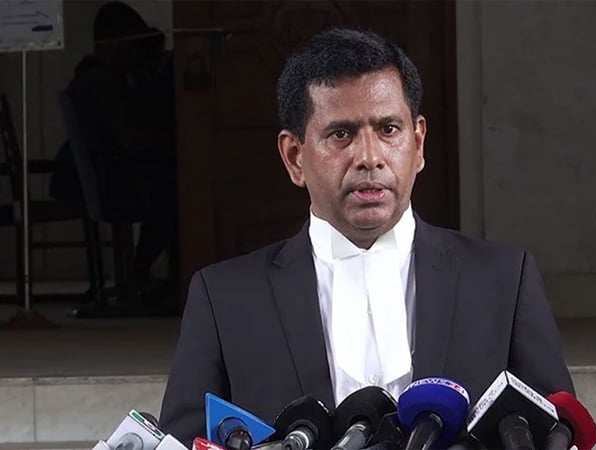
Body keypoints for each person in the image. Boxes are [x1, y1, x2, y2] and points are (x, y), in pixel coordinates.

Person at [159, 28, 574, 444]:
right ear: (294, 157)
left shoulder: (504, 280)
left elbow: (557, 433)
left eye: (388, 129)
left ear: (418, 143)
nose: (370, 157)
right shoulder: (224, 298)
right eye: (341, 134)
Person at [51, 1, 176, 290]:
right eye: (130, 46)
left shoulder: (99, 77)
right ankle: (139, 274)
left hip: (104, 176)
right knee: (180, 195)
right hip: (106, 180)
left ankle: (142, 275)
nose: (134, 54)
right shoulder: (99, 81)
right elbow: (129, 137)